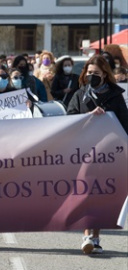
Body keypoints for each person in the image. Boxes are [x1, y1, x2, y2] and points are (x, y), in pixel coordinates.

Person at [67, 54, 128, 255]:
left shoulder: (115, 96)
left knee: (101, 194)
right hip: (83, 152)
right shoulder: (79, 94)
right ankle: (87, 235)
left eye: (97, 73)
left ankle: (95, 237)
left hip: (108, 154)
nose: (92, 76)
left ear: (105, 75)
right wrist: (87, 117)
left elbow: (124, 124)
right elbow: (68, 120)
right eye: (89, 73)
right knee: (87, 193)